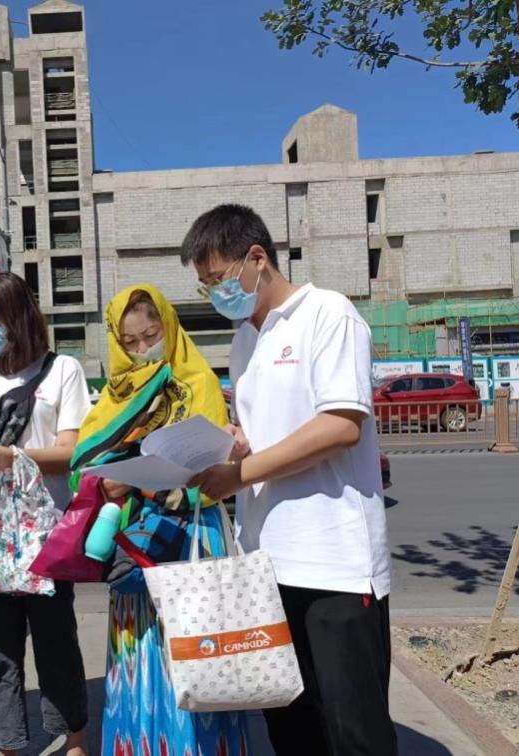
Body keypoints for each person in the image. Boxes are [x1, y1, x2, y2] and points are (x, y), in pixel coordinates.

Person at [185, 204, 397, 755]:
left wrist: (239, 474)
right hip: (267, 565)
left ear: (257, 258)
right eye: (206, 286)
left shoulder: (329, 313)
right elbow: (272, 432)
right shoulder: (244, 341)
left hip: (335, 568)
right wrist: (236, 442)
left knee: (354, 735)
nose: (215, 294)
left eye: (219, 279)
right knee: (292, 732)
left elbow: (340, 426)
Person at [71, 284, 253, 756]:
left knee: (200, 655)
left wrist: (147, 484)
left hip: (193, 538)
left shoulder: (198, 382)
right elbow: (83, 466)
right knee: (142, 656)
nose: (142, 349)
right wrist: (109, 481)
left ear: (168, 327)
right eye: (129, 342)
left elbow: (214, 469)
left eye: (150, 336)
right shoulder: (114, 396)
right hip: (137, 545)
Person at [0, 271, 90, 756]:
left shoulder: (62, 370)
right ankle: (8, 746)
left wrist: (14, 457)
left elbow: (72, 452)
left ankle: (73, 739)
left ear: (22, 320)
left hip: (42, 533)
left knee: (56, 642)